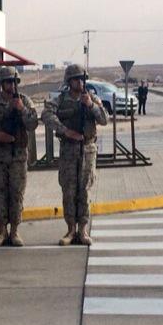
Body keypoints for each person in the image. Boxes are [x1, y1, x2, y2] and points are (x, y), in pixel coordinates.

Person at [42, 64, 107, 246]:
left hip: (87, 150)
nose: (80, 82)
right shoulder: (61, 100)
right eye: (76, 79)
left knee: (84, 190)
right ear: (69, 81)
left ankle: (83, 230)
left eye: (82, 79)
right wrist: (65, 130)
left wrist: (91, 105)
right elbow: (46, 115)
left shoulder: (91, 98)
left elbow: (104, 119)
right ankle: (70, 230)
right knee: (69, 190)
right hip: (68, 150)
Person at [0, 66, 39, 247]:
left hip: (18, 156)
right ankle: (2, 231)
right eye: (7, 82)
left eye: (13, 82)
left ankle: (15, 231)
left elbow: (33, 123)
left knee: (17, 193)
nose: (11, 85)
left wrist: (22, 110)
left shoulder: (24, 100)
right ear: (1, 84)